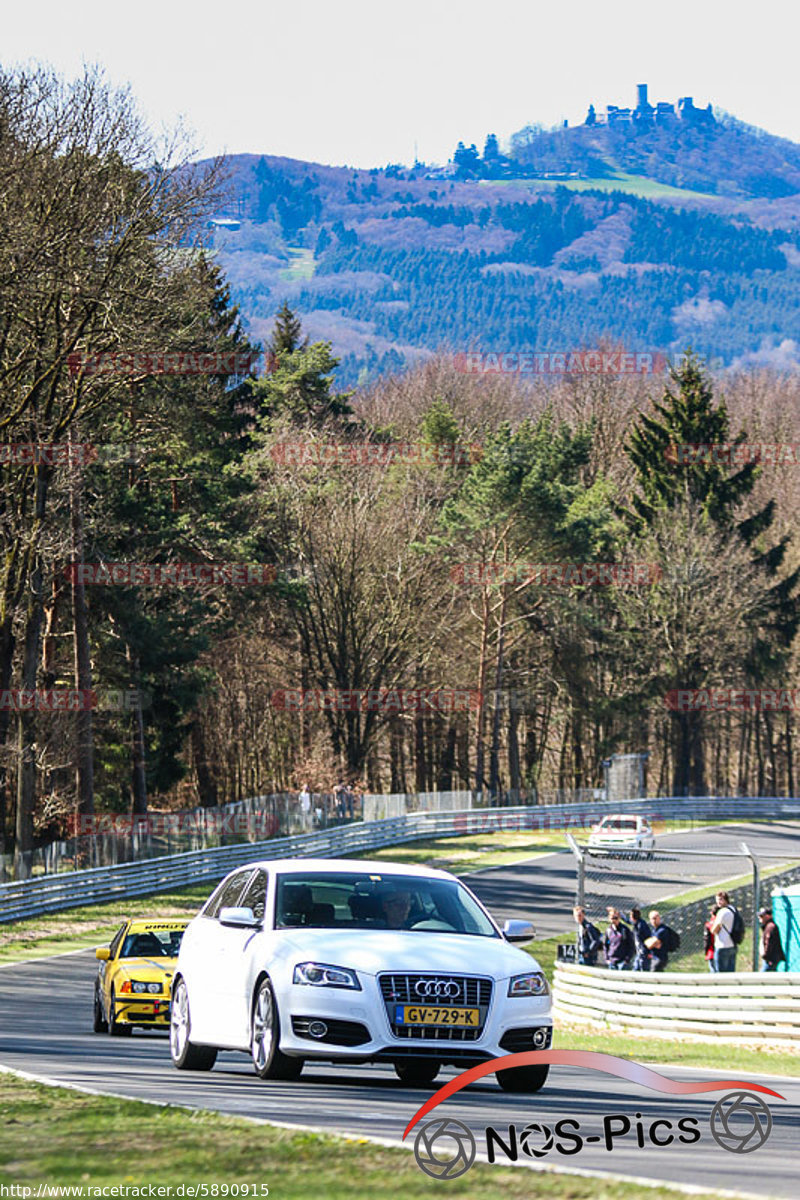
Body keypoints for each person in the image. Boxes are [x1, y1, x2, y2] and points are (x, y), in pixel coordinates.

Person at [710, 890, 737, 973]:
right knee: (730, 972)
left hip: (722, 946)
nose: (718, 902)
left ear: (726, 900)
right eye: (717, 900)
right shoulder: (733, 910)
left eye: (720, 899)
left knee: (720, 973)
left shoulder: (722, 912)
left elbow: (714, 930)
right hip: (732, 944)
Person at [759, 907, 785, 971]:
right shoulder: (768, 926)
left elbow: (769, 943)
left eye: (762, 916)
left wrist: (766, 957)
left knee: (761, 978)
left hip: (770, 959)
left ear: (768, 916)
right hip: (771, 958)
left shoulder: (770, 927)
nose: (759, 917)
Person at [629, 907, 652, 971]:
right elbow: (628, 921)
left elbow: (648, 938)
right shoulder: (637, 924)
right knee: (635, 969)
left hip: (644, 953)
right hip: (639, 953)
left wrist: (649, 952)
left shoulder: (641, 925)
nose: (630, 917)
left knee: (644, 970)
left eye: (630, 916)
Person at [704, 905, 718, 972]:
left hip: (711, 951)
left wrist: (706, 951)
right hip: (722, 948)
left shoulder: (709, 924)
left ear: (711, 913)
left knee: (713, 971)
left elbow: (706, 940)